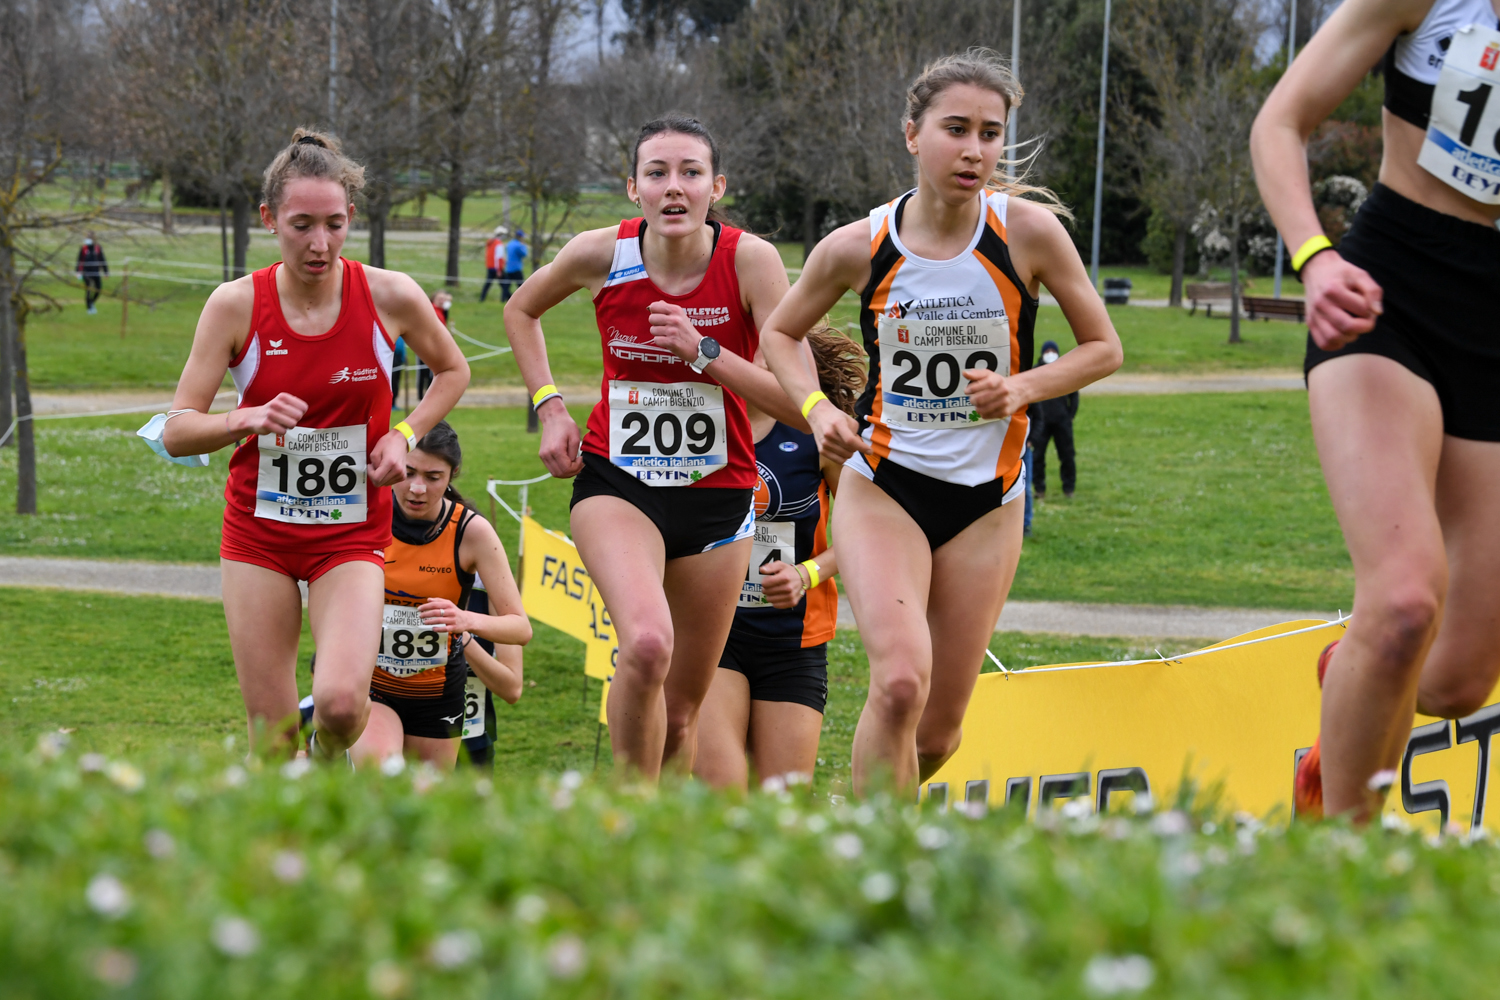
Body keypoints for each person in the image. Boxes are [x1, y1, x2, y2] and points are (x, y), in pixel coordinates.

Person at [759, 52, 1123, 796]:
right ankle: (877, 847)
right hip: (885, 487)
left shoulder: (1029, 234)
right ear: (912, 135)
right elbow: (780, 333)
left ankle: (870, 814)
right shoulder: (859, 246)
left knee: (938, 732)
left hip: (988, 500)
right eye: (956, 129)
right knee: (898, 684)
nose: (975, 150)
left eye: (990, 133)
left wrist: (1020, 388)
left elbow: (1103, 348)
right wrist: (818, 409)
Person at [504, 114, 814, 780]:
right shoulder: (600, 253)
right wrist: (550, 407)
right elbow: (520, 310)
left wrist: (705, 353)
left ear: (716, 187)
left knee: (679, 718)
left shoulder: (751, 261)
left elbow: (800, 404)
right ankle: (626, 807)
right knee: (646, 645)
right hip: (618, 483)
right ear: (633, 188)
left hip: (719, 500)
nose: (674, 187)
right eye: (657, 173)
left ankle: (661, 820)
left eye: (691, 173)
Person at [1252, 0, 1500, 822]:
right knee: (1402, 603)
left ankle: (1349, 670)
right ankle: (1341, 863)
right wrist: (1314, 258)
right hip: (1388, 301)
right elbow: (1280, 122)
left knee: (1458, 681)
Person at [161, 128, 470, 759]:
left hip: (349, 534)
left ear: (351, 216)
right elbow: (175, 429)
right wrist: (243, 419)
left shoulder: (388, 295)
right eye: (301, 225)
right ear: (269, 218)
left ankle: (329, 765)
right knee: (274, 738)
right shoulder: (235, 305)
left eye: (334, 224)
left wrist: (403, 434)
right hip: (259, 535)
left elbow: (453, 370)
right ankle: (292, 810)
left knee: (340, 705)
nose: (319, 243)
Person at [693, 324, 865, 791]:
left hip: (793, 640)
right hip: (713, 631)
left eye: (769, 352)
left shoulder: (819, 436)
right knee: (720, 790)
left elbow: (865, 534)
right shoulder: (698, 424)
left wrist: (806, 574)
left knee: (782, 802)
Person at [349, 421, 531, 769]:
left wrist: (464, 620)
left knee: (425, 795)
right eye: (408, 472)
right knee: (381, 775)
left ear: (451, 476)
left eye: (433, 477)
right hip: (374, 685)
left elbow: (520, 628)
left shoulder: (471, 532)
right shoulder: (367, 513)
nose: (417, 488)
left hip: (438, 696)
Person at [459, 568, 527, 769]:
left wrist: (461, 637)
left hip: (472, 745)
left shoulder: (489, 580)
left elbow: (512, 688)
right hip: (409, 738)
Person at [1028, 340, 1079, 499]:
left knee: (1067, 455)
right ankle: (1039, 489)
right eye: (1047, 351)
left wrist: (1070, 415)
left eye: (1053, 351)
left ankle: (1069, 489)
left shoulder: (1065, 371)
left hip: (1062, 421)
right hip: (1041, 422)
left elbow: (1074, 395)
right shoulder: (1035, 371)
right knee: (1037, 457)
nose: (1050, 354)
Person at [418, 289, 452, 401]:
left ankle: (426, 396)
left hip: (435, 345)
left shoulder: (441, 311)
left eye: (444, 299)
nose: (442, 301)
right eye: (440, 299)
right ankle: (422, 396)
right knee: (425, 372)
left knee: (430, 373)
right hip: (427, 345)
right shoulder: (432, 310)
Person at [77, 236, 107, 314]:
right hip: (86, 272)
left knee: (98, 289)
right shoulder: (84, 248)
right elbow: (79, 259)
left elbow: (102, 259)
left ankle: (91, 303)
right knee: (89, 289)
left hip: (96, 272)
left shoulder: (97, 248)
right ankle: (89, 308)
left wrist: (106, 271)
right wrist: (78, 271)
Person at [480, 226, 507, 302]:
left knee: (488, 284)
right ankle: (506, 299)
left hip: (490, 267)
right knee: (505, 284)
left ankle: (482, 298)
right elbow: (498, 258)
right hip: (496, 268)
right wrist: (499, 270)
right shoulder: (498, 244)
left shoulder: (491, 242)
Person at [500, 229, 528, 301]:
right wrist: (523, 245)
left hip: (509, 268)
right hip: (516, 268)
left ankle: (502, 300)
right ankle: (523, 300)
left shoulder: (510, 244)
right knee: (521, 286)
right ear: (520, 237)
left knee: (506, 286)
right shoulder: (519, 245)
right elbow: (524, 254)